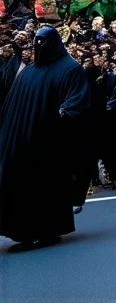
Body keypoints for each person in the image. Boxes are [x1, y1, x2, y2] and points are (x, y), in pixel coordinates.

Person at [0, 27, 91, 249]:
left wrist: (64, 113)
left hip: (49, 142)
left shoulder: (69, 69)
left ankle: (43, 231)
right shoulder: (30, 71)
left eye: (44, 41)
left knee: (43, 187)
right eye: (37, 41)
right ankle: (25, 231)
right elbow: (11, 105)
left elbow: (77, 100)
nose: (40, 46)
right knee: (20, 185)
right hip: (22, 141)